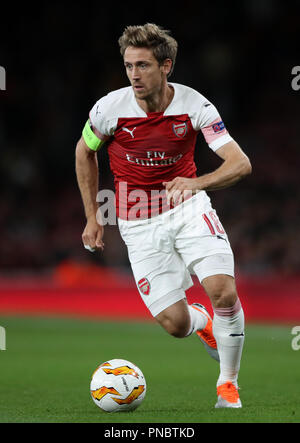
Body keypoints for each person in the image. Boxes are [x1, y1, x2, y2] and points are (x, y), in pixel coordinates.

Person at [75, 23, 252, 408]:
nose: (134, 75)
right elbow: (83, 151)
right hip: (137, 221)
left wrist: (197, 183)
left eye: (143, 65)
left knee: (223, 290)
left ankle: (228, 385)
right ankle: (203, 323)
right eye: (128, 66)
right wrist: (92, 216)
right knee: (176, 325)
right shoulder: (109, 110)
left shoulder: (195, 105)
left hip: (188, 209)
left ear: (166, 66)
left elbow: (240, 164)